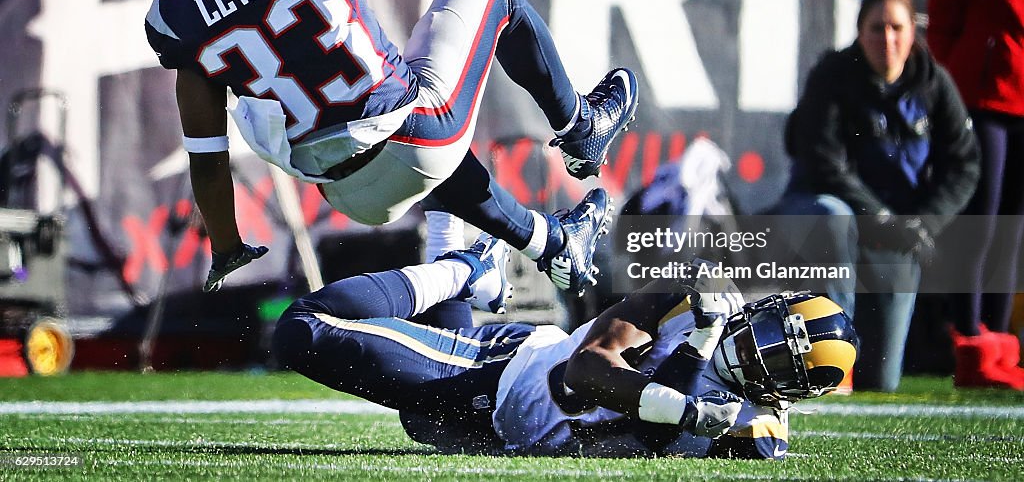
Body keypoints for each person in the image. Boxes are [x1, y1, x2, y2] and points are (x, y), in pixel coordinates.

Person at [144, 0, 639, 303]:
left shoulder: (176, 15)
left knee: (398, 114)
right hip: (417, 135)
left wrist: (227, 246)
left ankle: (549, 245)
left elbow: (207, 157)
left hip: (345, 192)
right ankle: (580, 125)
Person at [271, 236, 859, 458]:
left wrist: (687, 396)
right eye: (768, 332)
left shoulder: (756, 434)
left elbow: (648, 444)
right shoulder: (694, 299)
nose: (758, 351)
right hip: (500, 376)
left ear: (791, 392)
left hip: (500, 427)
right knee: (303, 330)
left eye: (779, 359)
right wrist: (696, 351)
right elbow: (584, 370)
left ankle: (461, 258)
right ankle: (463, 270)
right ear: (764, 306)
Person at [771, 0, 979, 391]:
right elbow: (822, 163)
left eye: (897, 27)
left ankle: (854, 366)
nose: (887, 39)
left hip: (895, 235)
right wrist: (882, 218)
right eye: (876, 28)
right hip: (820, 216)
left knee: (881, 381)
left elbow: (965, 164)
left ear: (912, 32)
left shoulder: (934, 82)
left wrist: (923, 224)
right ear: (859, 31)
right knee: (833, 216)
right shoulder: (832, 75)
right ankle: (829, 353)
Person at [928, 0, 1024, 390]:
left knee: (1013, 230)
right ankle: (968, 338)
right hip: (984, 103)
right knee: (980, 222)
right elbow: (940, 22)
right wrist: (956, 82)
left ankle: (999, 345)